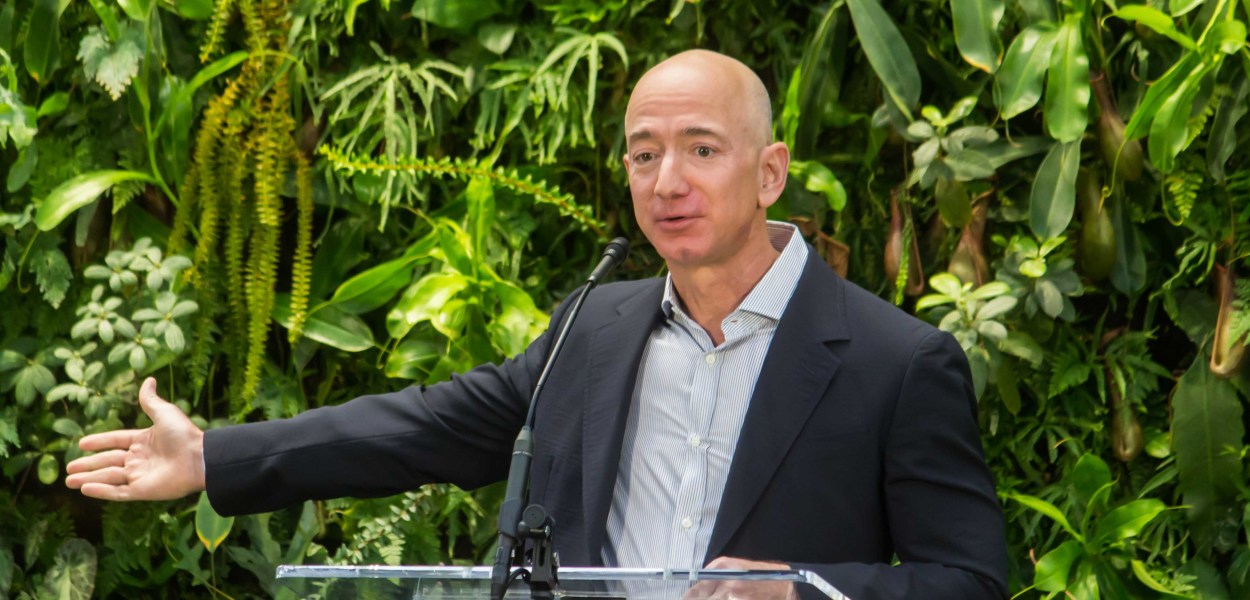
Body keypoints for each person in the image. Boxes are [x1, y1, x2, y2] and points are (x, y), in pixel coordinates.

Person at [67, 50, 1008, 600]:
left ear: (769, 173)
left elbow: (968, 583)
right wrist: (214, 458)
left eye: (701, 150)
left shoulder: (897, 361)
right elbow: (425, 428)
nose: (668, 182)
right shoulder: (596, 327)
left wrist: (800, 589)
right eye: (643, 154)